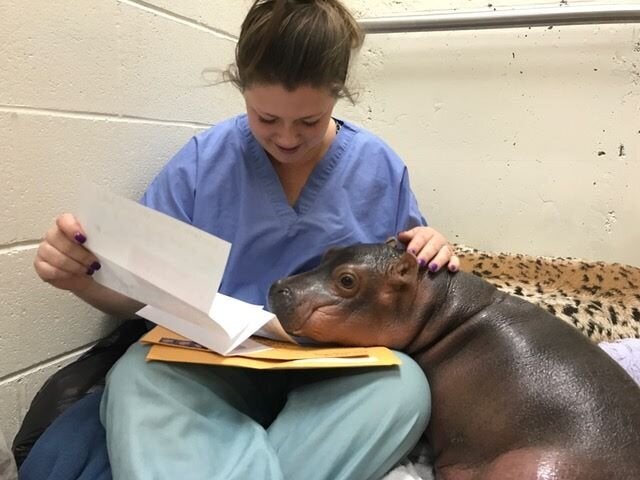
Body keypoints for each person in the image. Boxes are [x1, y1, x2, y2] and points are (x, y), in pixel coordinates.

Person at [33, 0, 459, 478]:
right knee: (136, 377)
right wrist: (80, 278)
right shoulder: (202, 162)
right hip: (214, 364)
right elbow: (138, 294)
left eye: (309, 122)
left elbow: (411, 294)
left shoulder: (379, 168)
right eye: (266, 119)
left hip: (334, 371)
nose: (288, 139)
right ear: (241, 89)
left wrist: (434, 253)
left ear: (338, 94)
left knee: (404, 389)